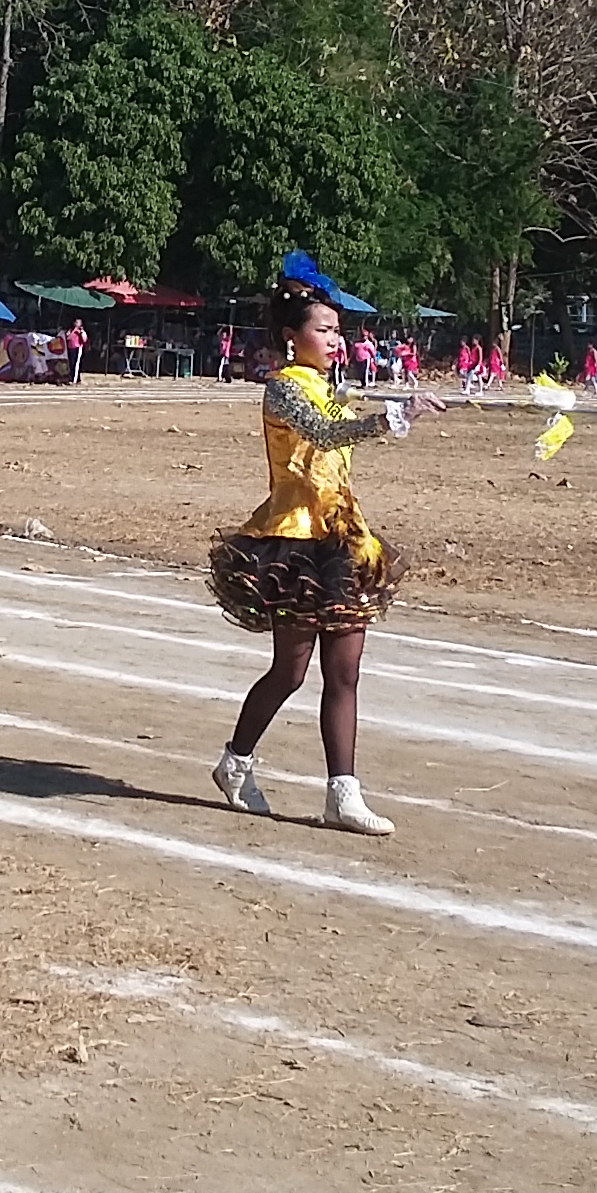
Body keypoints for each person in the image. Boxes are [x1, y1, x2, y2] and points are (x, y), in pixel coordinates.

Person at [206, 279, 437, 837]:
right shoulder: (283, 388)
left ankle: (343, 794)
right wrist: (391, 418)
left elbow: (337, 438)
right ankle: (236, 763)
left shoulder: (328, 387)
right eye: (325, 329)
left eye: (338, 331)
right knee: (289, 672)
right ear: (292, 336)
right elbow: (325, 434)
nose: (337, 339)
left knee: (345, 671)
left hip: (342, 536)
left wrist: (399, 410)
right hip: (293, 544)